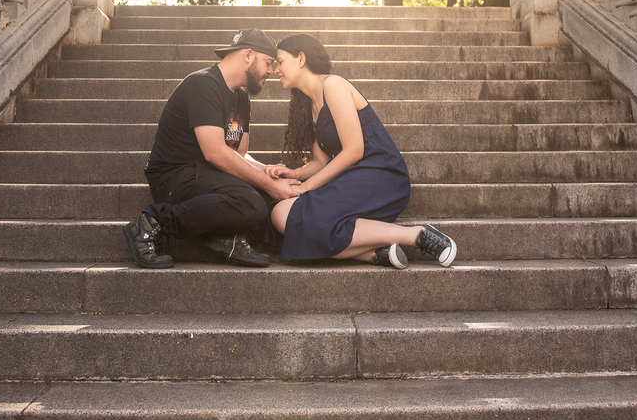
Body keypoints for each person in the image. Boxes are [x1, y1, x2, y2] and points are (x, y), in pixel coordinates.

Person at [269, 33, 457, 268]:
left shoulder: (333, 84)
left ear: (301, 59)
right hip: (349, 179)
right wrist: (295, 175)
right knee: (281, 213)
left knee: (296, 218)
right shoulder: (307, 105)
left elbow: (354, 150)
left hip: (379, 174)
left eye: (280, 61)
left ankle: (416, 235)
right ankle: (373, 253)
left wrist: (307, 187)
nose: (275, 69)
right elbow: (321, 161)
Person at [124, 28, 298, 269]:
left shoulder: (241, 97)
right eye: (268, 62)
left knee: (268, 200)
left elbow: (239, 154)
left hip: (208, 176)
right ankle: (154, 222)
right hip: (176, 177)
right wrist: (268, 185)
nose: (271, 71)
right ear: (248, 55)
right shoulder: (203, 84)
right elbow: (215, 152)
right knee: (251, 202)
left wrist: (268, 171)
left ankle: (227, 238)